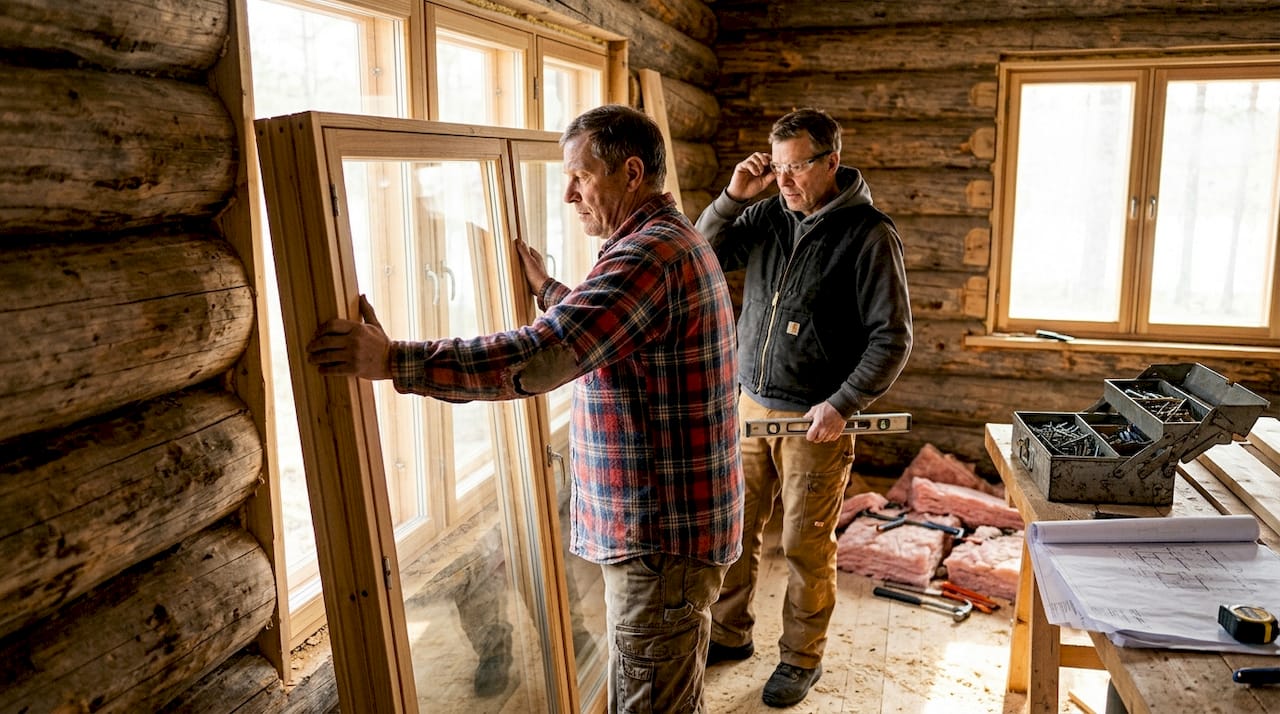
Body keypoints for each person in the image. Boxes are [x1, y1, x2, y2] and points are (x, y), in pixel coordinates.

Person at [306, 104, 743, 714]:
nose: (567, 194)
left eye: (580, 177)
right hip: (673, 530)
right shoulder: (661, 243)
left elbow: (545, 354)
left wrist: (395, 361)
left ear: (632, 173)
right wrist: (548, 291)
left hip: (662, 542)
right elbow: (609, 331)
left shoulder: (647, 256)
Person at [695, 107, 912, 708]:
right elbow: (702, 253)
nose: (784, 180)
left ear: (831, 163)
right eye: (778, 167)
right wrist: (735, 196)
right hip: (748, 408)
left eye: (796, 168)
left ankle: (800, 659)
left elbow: (892, 337)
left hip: (817, 421)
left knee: (802, 546)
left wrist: (843, 404)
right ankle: (731, 634)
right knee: (734, 533)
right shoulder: (766, 212)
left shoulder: (869, 234)